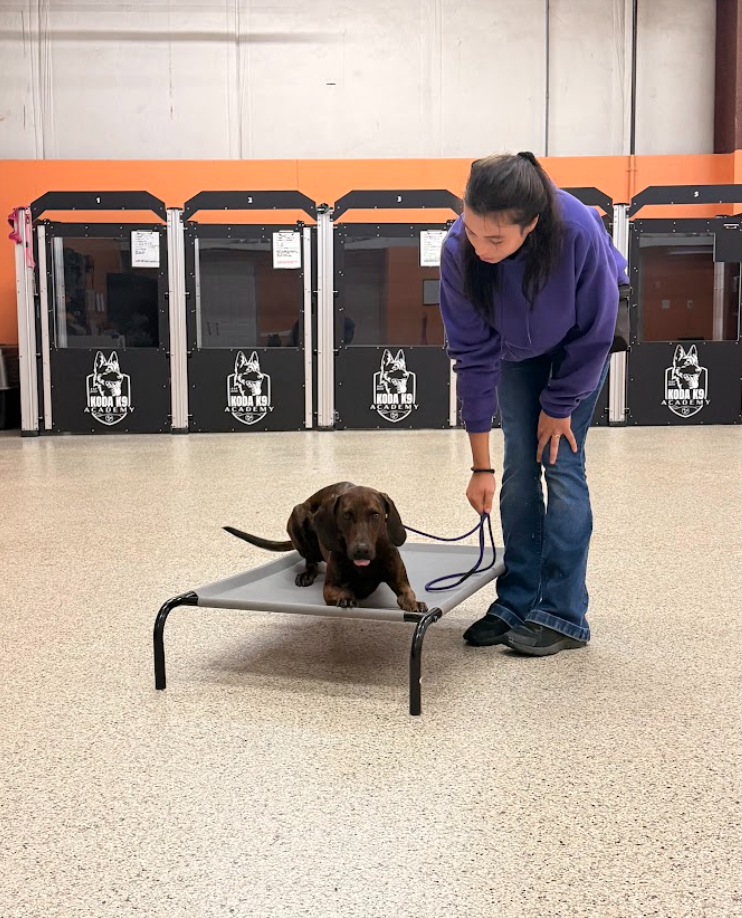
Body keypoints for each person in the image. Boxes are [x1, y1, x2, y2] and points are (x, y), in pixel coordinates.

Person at [439, 152, 629, 656]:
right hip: (515, 351)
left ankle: (564, 614)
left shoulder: (577, 230)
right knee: (517, 467)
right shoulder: (459, 247)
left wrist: (561, 403)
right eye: (473, 231)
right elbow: (472, 358)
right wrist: (480, 465)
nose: (480, 247)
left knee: (560, 463)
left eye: (496, 239)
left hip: (577, 348)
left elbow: (596, 332)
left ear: (533, 224)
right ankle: (519, 599)